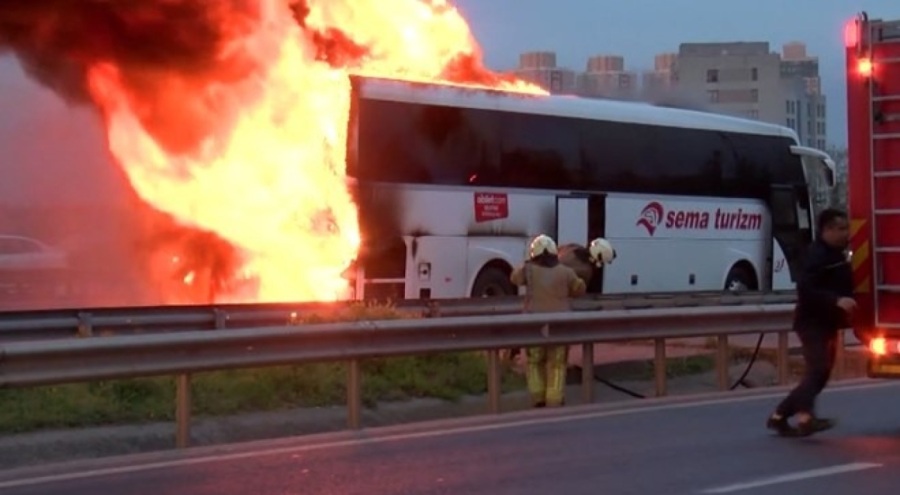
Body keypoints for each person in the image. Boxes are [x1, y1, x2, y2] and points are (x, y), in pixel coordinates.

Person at [766, 208, 855, 437]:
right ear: (827, 230)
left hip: (827, 322)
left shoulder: (837, 254)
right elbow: (806, 289)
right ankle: (805, 418)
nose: (846, 233)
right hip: (811, 323)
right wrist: (836, 300)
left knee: (821, 373)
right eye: (841, 228)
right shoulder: (816, 255)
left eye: (846, 227)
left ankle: (780, 416)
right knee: (818, 370)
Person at [510, 234, 597, 408]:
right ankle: (555, 399)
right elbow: (579, 289)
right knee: (558, 364)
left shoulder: (528, 270)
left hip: (534, 325)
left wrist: (527, 264)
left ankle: (537, 398)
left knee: (534, 362)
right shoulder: (566, 271)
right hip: (560, 325)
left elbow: (514, 278)